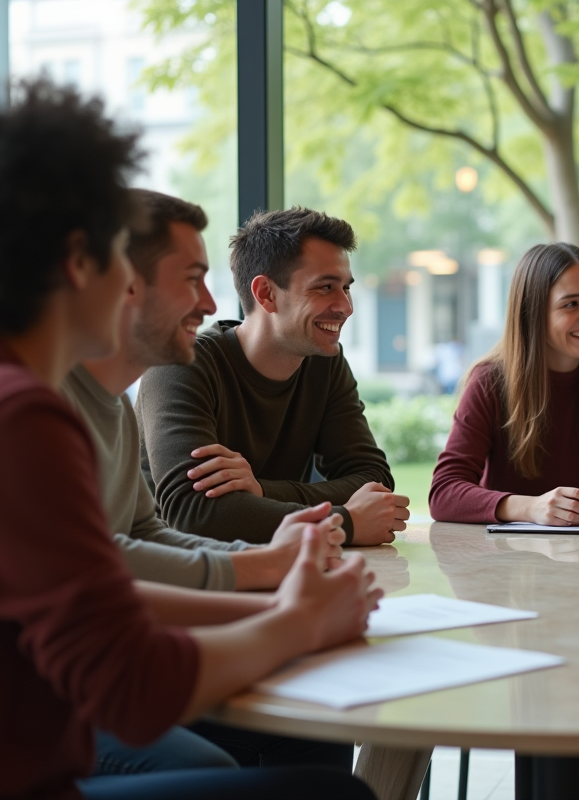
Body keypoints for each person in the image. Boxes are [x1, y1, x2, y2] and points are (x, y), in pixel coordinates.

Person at [0, 78, 378, 800]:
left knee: (307, 739)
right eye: (121, 257)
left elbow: (106, 596)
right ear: (78, 262)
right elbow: (131, 683)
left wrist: (280, 602)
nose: (209, 304)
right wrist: (296, 622)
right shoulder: (11, 416)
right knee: (333, 794)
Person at [63, 188, 358, 776]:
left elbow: (142, 530)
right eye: (191, 279)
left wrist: (270, 562)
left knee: (318, 744)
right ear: (121, 285)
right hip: (46, 711)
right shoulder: (42, 404)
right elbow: (105, 566)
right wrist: (283, 601)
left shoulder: (111, 406)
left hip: (105, 667)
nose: (207, 301)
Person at [136, 207, 408, 545]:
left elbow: (373, 479)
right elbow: (194, 513)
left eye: (345, 288)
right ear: (265, 293)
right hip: (175, 579)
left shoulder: (324, 361)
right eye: (325, 287)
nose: (345, 306)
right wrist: (344, 522)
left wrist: (262, 490)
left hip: (276, 568)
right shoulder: (180, 365)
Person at [428, 242, 579, 525]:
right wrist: (530, 508)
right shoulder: (489, 381)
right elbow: (444, 493)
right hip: (509, 562)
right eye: (571, 304)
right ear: (533, 314)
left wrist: (564, 509)